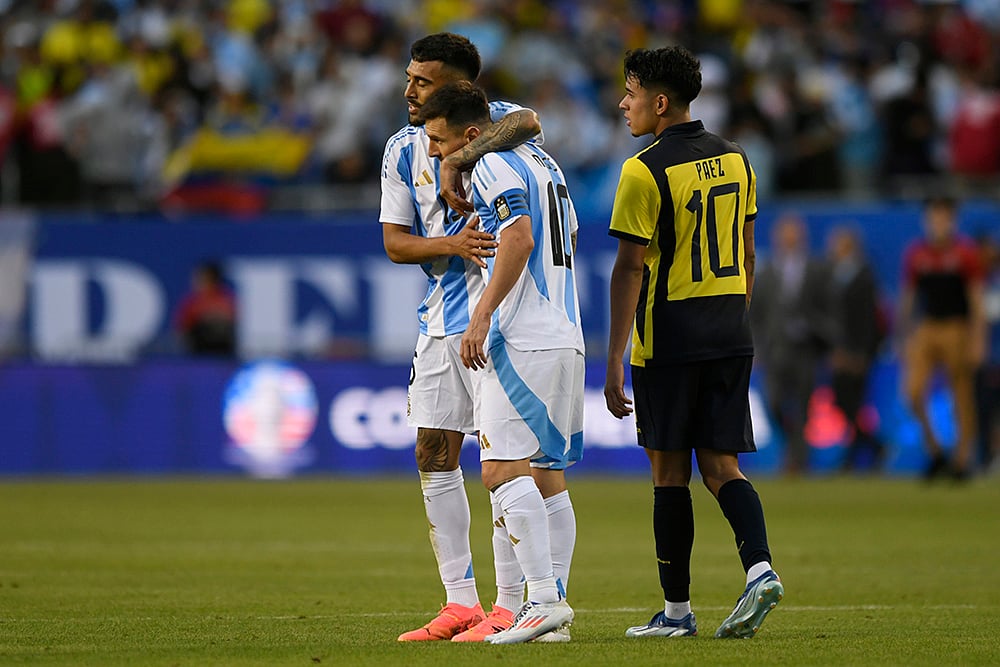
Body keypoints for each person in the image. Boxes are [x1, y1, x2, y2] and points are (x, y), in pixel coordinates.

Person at [378, 33, 574, 643]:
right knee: (436, 453)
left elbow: (531, 120)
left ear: (460, 84)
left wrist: (458, 159)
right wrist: (449, 244)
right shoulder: (400, 149)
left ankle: (518, 604)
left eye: (423, 80)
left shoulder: (492, 129)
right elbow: (394, 242)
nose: (409, 90)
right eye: (409, 78)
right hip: (443, 321)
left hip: (503, 317)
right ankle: (460, 601)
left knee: (514, 462)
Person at [603, 46, 783, 640]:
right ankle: (760, 569)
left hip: (669, 339)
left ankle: (677, 615)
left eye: (631, 93)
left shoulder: (643, 168)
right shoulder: (737, 159)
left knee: (668, 473)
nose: (623, 103)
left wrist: (612, 362)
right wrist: (731, 318)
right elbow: (749, 254)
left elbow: (630, 268)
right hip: (732, 333)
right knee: (723, 466)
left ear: (660, 102)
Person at [898, 196, 986, 481]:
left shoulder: (965, 253)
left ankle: (962, 459)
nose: (938, 224)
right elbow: (909, 299)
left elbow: (975, 300)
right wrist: (904, 336)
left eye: (944, 218)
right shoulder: (917, 254)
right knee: (913, 392)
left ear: (953, 220)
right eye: (934, 218)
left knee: (961, 394)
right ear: (927, 220)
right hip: (927, 327)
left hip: (956, 327)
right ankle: (935, 450)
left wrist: (977, 338)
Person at [750, 213, 830, 475]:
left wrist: (818, 331)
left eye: (793, 233)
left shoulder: (816, 269)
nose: (789, 239)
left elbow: (827, 307)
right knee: (773, 403)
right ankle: (794, 448)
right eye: (785, 233)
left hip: (805, 349)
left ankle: (797, 459)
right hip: (775, 350)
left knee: (805, 404)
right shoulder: (767, 270)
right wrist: (756, 348)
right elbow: (756, 314)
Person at [825, 225, 886, 473]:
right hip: (842, 351)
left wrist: (860, 353)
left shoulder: (863, 276)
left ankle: (857, 453)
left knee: (855, 400)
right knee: (843, 401)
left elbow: (868, 319)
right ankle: (870, 446)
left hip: (859, 352)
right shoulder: (834, 276)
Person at [174, 260, 237, 356]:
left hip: (224, 354)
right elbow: (182, 329)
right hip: (197, 353)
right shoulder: (191, 302)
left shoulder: (227, 299)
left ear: (212, 279)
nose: (196, 281)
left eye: (201, 277)